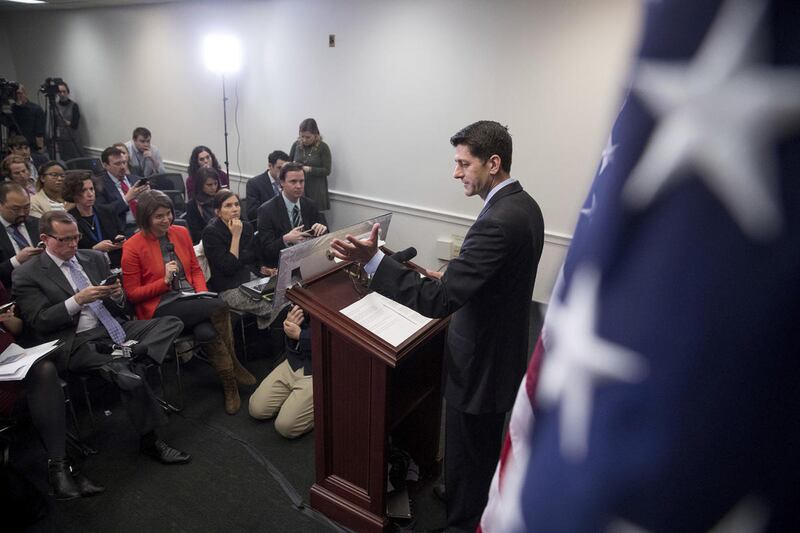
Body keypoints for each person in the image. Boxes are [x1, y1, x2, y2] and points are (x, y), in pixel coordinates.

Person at [330, 120, 544, 532]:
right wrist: (453, 276)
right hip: (500, 346)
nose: (456, 172)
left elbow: (439, 302)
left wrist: (374, 261)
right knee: (473, 445)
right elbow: (492, 278)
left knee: (471, 441)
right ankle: (462, 488)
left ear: (493, 163)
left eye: (464, 164)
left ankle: (464, 520)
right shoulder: (524, 204)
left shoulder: (498, 220)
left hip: (482, 358)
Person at [12, 210, 191, 466]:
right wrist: (77, 301)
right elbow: (40, 320)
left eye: (76, 237)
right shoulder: (28, 274)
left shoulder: (93, 258)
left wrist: (116, 295)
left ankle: (128, 356)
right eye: (64, 240)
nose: (73, 244)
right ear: (45, 239)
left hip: (112, 329)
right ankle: (152, 440)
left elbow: (122, 306)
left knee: (171, 323)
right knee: (131, 375)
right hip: (76, 339)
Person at [121, 190, 256, 414]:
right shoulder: (133, 247)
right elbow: (133, 294)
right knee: (220, 305)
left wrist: (201, 294)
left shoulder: (181, 232)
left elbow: (194, 269)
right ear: (145, 218)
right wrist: (164, 282)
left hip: (191, 300)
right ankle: (234, 363)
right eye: (159, 217)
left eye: (168, 214)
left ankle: (229, 386)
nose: (166, 220)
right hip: (159, 307)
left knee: (206, 332)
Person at [0, 280, 105, 500]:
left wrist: (9, 320)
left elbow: (17, 329)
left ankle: (61, 468)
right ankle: (63, 469)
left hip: (11, 358)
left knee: (45, 371)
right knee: (44, 377)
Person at [202, 190, 273, 329]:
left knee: (284, 297)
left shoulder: (246, 226)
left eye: (236, 204)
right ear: (218, 211)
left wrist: (263, 269)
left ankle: (269, 339)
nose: (234, 209)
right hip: (228, 288)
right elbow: (229, 267)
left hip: (251, 281)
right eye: (228, 206)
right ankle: (276, 345)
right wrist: (236, 236)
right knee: (273, 306)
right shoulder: (211, 233)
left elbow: (253, 258)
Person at [248, 305, 313, 438]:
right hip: (295, 360)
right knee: (257, 409)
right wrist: (290, 322)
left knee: (286, 427)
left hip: (318, 369)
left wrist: (301, 335)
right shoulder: (307, 288)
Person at [257, 162, 328, 267]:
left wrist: (323, 230)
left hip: (309, 261)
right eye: (293, 182)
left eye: (301, 181)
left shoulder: (310, 205)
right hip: (282, 265)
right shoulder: (267, 210)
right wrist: (285, 240)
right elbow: (266, 250)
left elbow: (327, 236)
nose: (299, 186)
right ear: (282, 182)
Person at [64, 171, 126, 268]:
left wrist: (120, 240)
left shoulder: (107, 211)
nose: (90, 194)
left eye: (91, 189)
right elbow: (72, 252)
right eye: (83, 190)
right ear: (73, 194)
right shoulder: (69, 220)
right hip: (89, 267)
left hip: (117, 262)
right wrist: (94, 249)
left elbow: (121, 232)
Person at [97, 146, 149, 235]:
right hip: (123, 230)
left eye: (124, 162)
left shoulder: (136, 180)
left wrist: (148, 196)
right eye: (117, 164)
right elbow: (104, 212)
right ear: (105, 165)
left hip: (145, 224)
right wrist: (126, 199)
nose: (122, 167)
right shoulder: (99, 185)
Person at [0, 183, 42, 289]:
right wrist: (16, 261)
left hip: (46, 282)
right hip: (13, 287)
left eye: (27, 207)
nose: (22, 213)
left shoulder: (39, 224)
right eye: (16, 209)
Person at [289, 118, 332, 210]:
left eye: (308, 137)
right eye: (302, 136)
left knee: (315, 218)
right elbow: (288, 164)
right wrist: (293, 165)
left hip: (316, 189)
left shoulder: (323, 147)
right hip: (298, 187)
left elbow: (327, 171)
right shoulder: (296, 145)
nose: (304, 140)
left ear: (316, 135)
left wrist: (309, 169)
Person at [245, 150, 288, 222]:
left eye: (285, 169)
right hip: (266, 224)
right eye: (279, 168)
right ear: (270, 166)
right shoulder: (254, 183)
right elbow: (252, 213)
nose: (283, 172)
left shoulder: (288, 181)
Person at [6, 86, 45, 153]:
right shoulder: (11, 109)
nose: (18, 96)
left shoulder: (36, 109)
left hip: (32, 147)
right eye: (15, 94)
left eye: (19, 93)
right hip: (15, 147)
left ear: (25, 93)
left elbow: (40, 133)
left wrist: (40, 150)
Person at [185, 167, 219, 244]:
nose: (214, 187)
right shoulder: (193, 205)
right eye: (209, 185)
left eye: (215, 183)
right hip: (206, 242)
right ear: (201, 185)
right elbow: (195, 234)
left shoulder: (222, 198)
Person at [53, 81, 83, 161]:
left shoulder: (74, 105)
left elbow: (75, 124)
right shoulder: (54, 106)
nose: (62, 94)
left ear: (68, 92)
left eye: (64, 91)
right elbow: (54, 125)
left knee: (77, 162)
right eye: (60, 92)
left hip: (74, 140)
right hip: (61, 142)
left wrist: (66, 122)